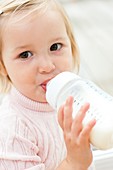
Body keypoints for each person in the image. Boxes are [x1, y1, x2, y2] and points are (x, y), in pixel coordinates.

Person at [0, 0, 96, 169]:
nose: (47, 66)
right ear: (2, 66)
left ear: (71, 46)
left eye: (55, 46)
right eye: (25, 55)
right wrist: (74, 162)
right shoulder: (12, 131)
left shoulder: (74, 97)